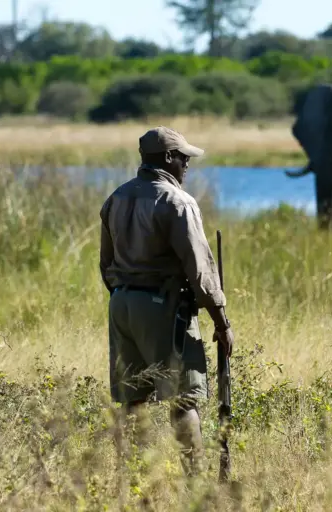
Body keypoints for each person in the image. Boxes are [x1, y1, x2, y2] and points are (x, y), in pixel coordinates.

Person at [99, 126, 235, 475]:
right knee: (184, 397)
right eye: (184, 157)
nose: (187, 164)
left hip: (122, 305)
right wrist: (222, 322)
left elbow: (106, 264)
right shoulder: (177, 202)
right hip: (163, 308)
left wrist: (126, 296)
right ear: (169, 158)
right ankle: (196, 482)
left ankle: (130, 482)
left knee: (133, 400)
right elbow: (201, 269)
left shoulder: (116, 197)